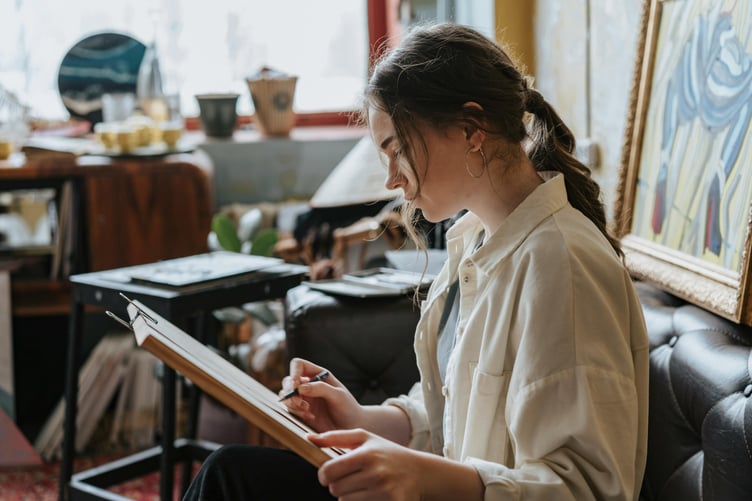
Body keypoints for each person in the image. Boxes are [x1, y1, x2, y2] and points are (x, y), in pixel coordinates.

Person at [184, 22, 648, 500]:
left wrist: (426, 478)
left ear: (470, 130)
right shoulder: (474, 244)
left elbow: (589, 491)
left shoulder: (562, 265)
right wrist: (363, 419)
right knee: (231, 473)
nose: (391, 180)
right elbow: (455, 420)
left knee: (230, 479)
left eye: (397, 150)